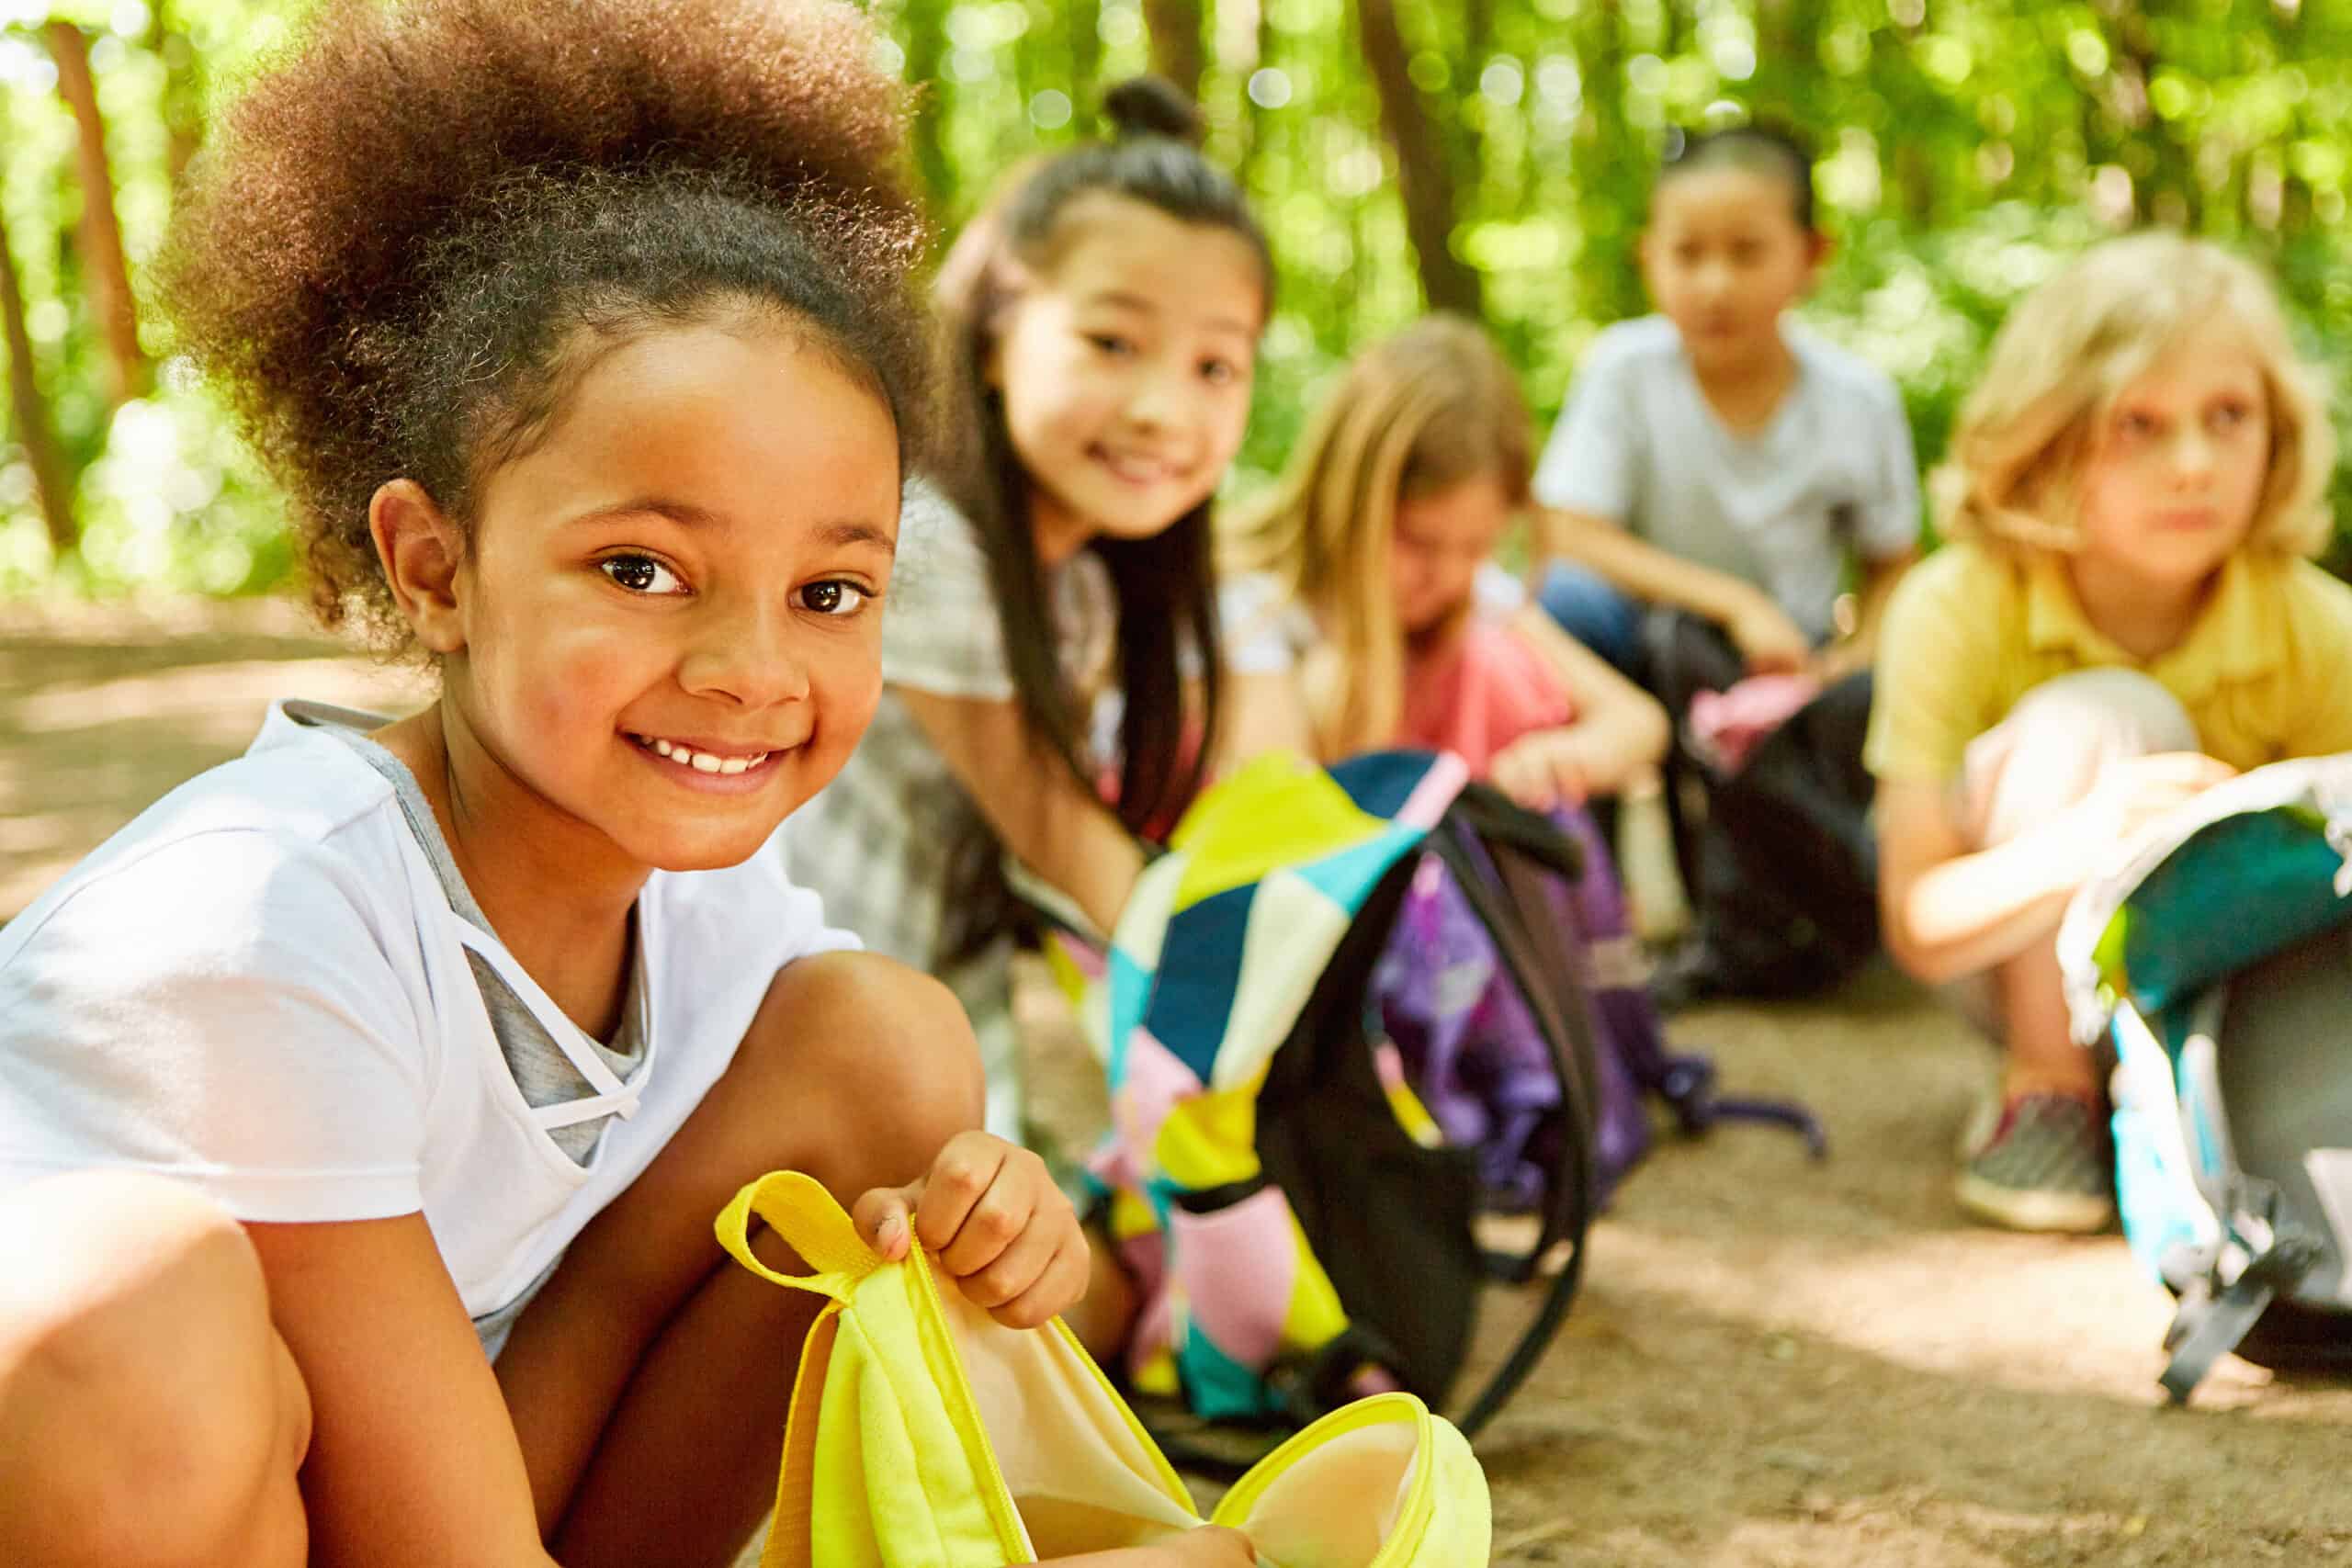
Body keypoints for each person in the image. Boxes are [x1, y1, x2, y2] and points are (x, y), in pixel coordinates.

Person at [0, 5, 1247, 1565]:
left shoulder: (716, 912)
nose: (751, 666)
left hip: (430, 1492)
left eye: (832, 592)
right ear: (435, 567)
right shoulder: (252, 928)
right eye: (644, 566)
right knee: (137, 1306)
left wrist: (997, 1222)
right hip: (168, 1480)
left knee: (886, 1046)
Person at [780, 79, 1274, 1145]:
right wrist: (1277, 1020)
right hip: (788, 1030)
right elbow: (1060, 837)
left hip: (933, 1011)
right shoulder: (920, 545)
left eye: (1215, 365)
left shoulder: (1085, 589)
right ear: (997, 339)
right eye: (1112, 342)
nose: (1163, 410)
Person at [1869, 232, 2352, 1234]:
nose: (2191, 465)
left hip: (2229, 986)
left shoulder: (2315, 625)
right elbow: (1917, 923)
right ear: (2048, 437)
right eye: (2138, 424)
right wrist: (2091, 839)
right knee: (2105, 718)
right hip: (2012, 959)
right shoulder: (1954, 604)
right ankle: (2047, 1093)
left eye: (2228, 417)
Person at [1219, 313, 1669, 807]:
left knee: (1493, 659)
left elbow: (1638, 721)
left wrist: (1563, 757)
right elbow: (1275, 802)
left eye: (1477, 548)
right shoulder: (1256, 605)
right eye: (1418, 541)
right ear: (1347, 500)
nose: (1450, 575)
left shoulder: (1477, 592)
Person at [1529, 122, 1921, 688]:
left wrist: (1848, 662)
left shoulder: (1859, 400)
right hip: (1643, 650)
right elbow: (1569, 533)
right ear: (1648, 258)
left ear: (1812, 255)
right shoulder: (1623, 369)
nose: (1715, 285)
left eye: (1747, 252)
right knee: (1565, 601)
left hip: (1792, 662)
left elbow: (1892, 569)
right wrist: (1735, 605)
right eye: (1687, 254)